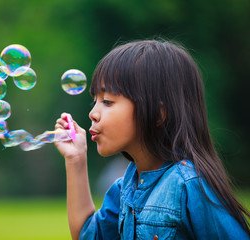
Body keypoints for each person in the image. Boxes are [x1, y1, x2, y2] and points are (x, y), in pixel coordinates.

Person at [54, 40, 250, 239]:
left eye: (107, 101)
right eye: (94, 101)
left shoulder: (190, 185)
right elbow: (88, 236)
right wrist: (76, 159)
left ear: (158, 113)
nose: (93, 113)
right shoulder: (124, 189)